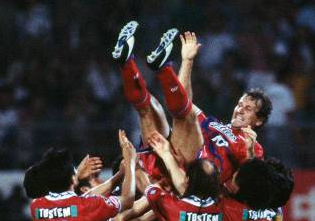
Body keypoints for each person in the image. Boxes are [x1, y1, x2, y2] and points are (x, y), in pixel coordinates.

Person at [112, 22, 271, 185]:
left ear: (259, 120)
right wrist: (187, 60)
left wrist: (250, 152)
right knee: (150, 108)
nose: (239, 110)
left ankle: (164, 69)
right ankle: (126, 63)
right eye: (240, 104)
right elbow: (184, 102)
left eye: (248, 108)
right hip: (167, 164)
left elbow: (246, 183)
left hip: (195, 179)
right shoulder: (214, 124)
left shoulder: (253, 147)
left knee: (187, 116)